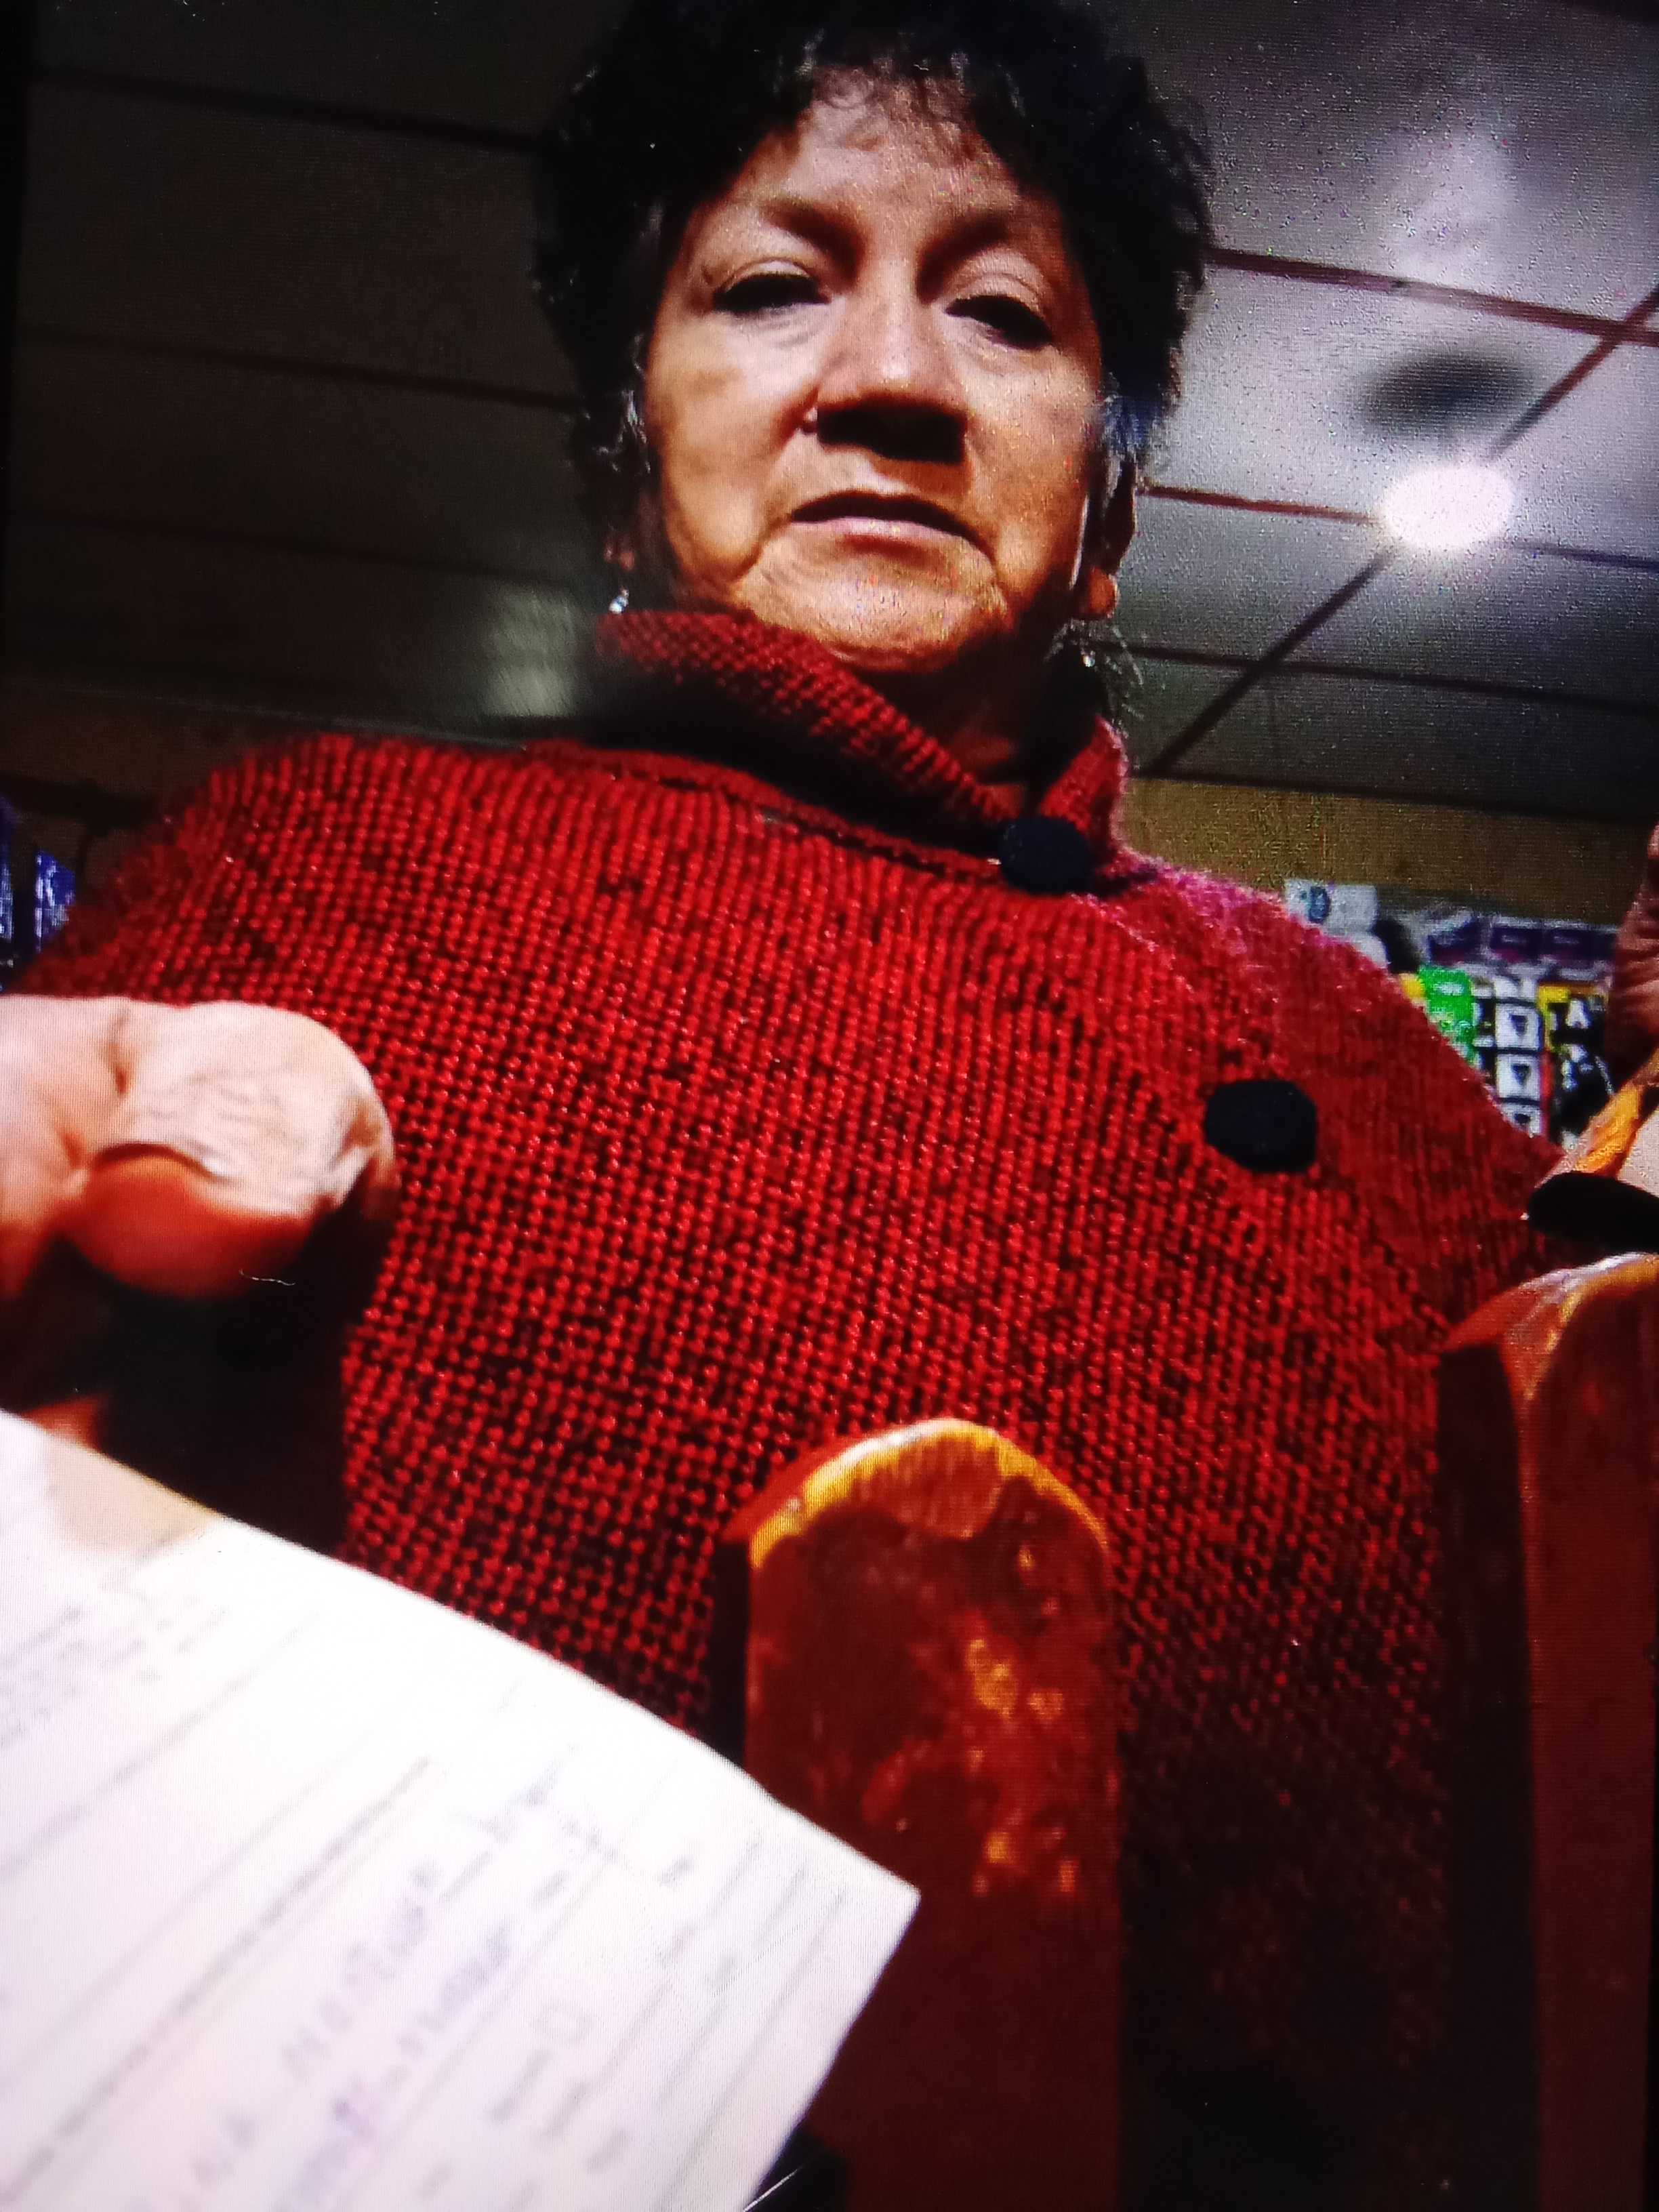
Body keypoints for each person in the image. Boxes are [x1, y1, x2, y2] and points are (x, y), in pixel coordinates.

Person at [1, 1, 1655, 2202]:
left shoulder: (1357, 1046)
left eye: (1003, 313)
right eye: (775, 286)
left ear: (1114, 501)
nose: (888, 378)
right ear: (626, 458)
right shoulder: (299, 875)